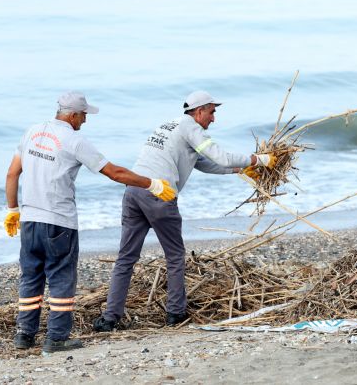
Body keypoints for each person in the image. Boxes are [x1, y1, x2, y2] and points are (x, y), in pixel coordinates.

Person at [4, 91, 176, 354]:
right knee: (61, 277)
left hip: (29, 220)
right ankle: (57, 338)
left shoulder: (32, 132)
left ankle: (24, 335)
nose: (85, 120)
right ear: (72, 115)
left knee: (31, 277)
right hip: (58, 221)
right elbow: (114, 172)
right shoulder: (74, 140)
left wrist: (13, 209)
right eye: (83, 115)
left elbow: (12, 173)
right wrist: (151, 183)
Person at [92, 91, 275, 331]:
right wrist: (259, 160)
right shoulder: (191, 128)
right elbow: (221, 156)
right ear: (199, 111)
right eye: (212, 112)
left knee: (126, 258)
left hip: (133, 192)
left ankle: (110, 318)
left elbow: (203, 163)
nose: (213, 119)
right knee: (175, 256)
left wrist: (239, 171)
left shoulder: (170, 126)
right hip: (159, 194)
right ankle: (175, 314)